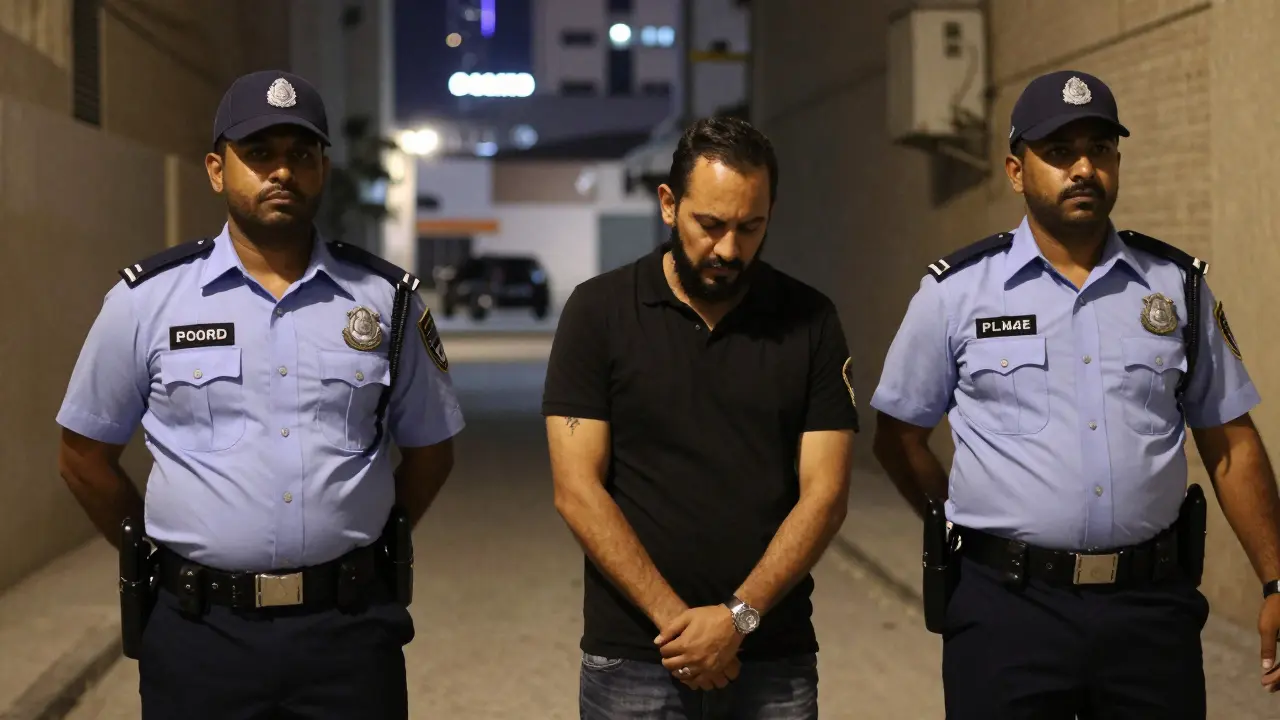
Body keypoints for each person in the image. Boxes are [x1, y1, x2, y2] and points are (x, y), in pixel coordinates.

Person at [870, 69, 1280, 719]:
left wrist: (1275, 579)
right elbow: (898, 435)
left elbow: (1230, 443)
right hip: (1005, 611)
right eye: (1059, 151)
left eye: (1100, 148)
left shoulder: (1178, 289)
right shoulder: (956, 293)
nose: (1083, 167)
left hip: (1149, 614)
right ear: (1015, 169)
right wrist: (955, 518)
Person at [55, 70, 464, 719]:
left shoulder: (386, 302)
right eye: (260, 154)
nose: (282, 171)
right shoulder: (146, 301)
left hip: (349, 633)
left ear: (323, 168)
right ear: (217, 169)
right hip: (199, 635)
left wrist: (368, 536)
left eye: (300, 154)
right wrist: (146, 547)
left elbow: (431, 450)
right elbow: (82, 453)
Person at [542, 116, 860, 719]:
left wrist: (738, 618)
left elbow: (827, 494)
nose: (729, 249)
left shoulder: (810, 320)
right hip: (637, 656)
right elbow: (576, 490)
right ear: (669, 204)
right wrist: (683, 628)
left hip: (772, 655)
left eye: (750, 227)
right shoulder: (599, 313)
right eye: (709, 225)